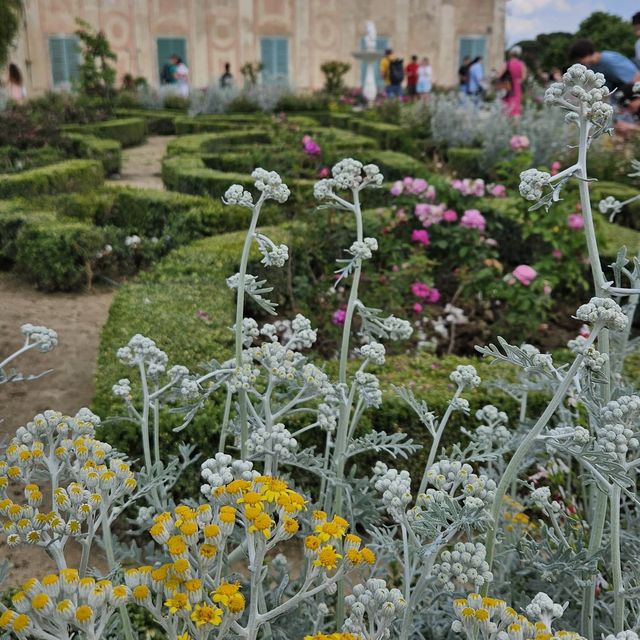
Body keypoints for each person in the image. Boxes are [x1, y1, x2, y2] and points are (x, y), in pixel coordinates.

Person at [569, 40, 640, 104]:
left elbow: (636, 76)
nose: (580, 63)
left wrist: (632, 99)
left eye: (579, 60)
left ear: (585, 55)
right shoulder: (592, 67)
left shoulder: (610, 60)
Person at [498, 45, 526, 117]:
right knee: (516, 107)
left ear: (510, 54)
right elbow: (523, 77)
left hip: (508, 86)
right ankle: (515, 126)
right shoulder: (521, 64)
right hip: (517, 86)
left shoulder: (506, 63)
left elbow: (499, 75)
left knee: (506, 106)